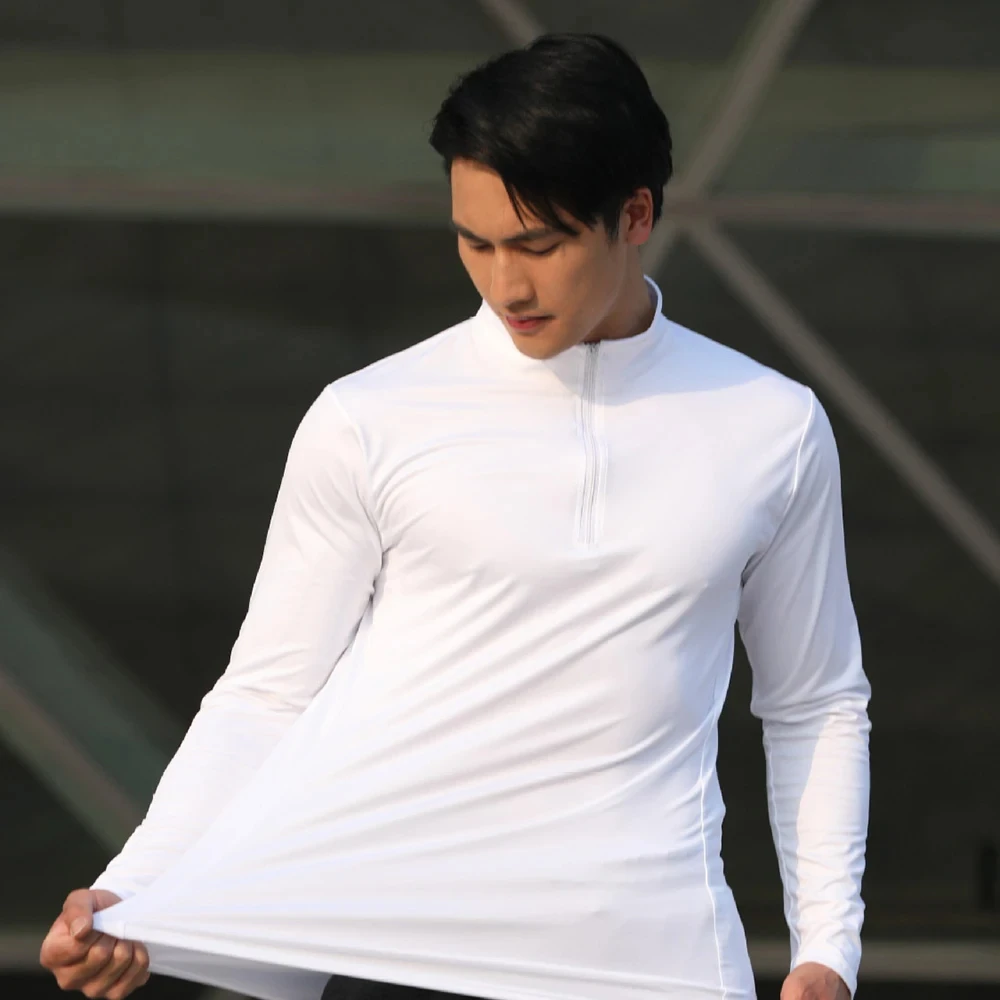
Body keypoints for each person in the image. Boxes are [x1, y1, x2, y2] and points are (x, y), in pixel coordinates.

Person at [40, 32, 870, 1000]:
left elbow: (815, 702)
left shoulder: (771, 424)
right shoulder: (370, 416)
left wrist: (827, 949)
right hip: (386, 953)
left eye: (539, 245)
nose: (506, 284)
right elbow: (266, 693)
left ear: (636, 213)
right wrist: (134, 886)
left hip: (656, 957)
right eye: (475, 243)